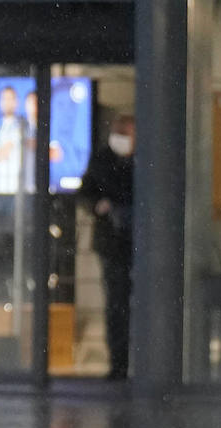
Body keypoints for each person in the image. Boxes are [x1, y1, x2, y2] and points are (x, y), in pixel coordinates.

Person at [79, 113, 136, 380]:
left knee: (136, 305)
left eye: (126, 134)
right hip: (112, 243)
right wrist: (99, 206)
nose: (122, 139)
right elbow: (86, 194)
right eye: (119, 133)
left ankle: (137, 362)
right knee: (116, 304)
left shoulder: (145, 160)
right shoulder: (102, 161)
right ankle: (119, 364)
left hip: (140, 244)